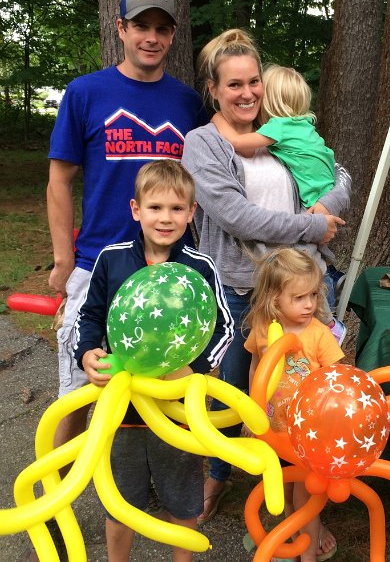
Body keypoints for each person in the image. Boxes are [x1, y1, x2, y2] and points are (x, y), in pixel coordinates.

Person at [181, 28, 349, 558]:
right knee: (234, 388)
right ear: (213, 88)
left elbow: (338, 173)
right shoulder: (203, 144)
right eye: (234, 84)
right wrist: (309, 225)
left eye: (254, 81)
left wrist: (324, 211)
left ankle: (301, 498)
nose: (247, 92)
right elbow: (236, 215)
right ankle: (217, 476)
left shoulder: (280, 130)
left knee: (304, 389)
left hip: (300, 290)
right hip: (239, 289)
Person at [46, 0, 209, 471]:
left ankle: (158, 481)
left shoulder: (187, 104)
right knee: (75, 391)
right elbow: (59, 179)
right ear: (121, 29)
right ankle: (54, 490)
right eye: (140, 26)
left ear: (173, 34)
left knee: (164, 386)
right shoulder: (85, 93)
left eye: (161, 28)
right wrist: (63, 258)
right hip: (99, 262)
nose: (150, 37)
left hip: (168, 271)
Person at [74, 160, 233, 562]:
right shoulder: (111, 259)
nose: (166, 218)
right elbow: (89, 316)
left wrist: (193, 369)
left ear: (192, 212)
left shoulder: (200, 266)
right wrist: (87, 352)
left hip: (177, 413)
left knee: (183, 502)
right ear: (135, 209)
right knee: (119, 502)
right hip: (119, 408)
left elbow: (224, 328)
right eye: (156, 207)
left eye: (177, 209)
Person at [245, 248, 343, 562]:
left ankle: (308, 553)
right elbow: (255, 368)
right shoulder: (263, 329)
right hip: (274, 431)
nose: (310, 304)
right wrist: (253, 409)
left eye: (313, 295)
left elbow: (335, 381)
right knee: (283, 492)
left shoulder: (319, 335)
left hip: (307, 439)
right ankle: (290, 532)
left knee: (307, 500)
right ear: (276, 299)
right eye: (299, 297)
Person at [212, 64, 335, 210]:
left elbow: (237, 141)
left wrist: (218, 117)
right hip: (328, 192)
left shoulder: (279, 126)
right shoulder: (304, 124)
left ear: (268, 100)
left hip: (313, 202)